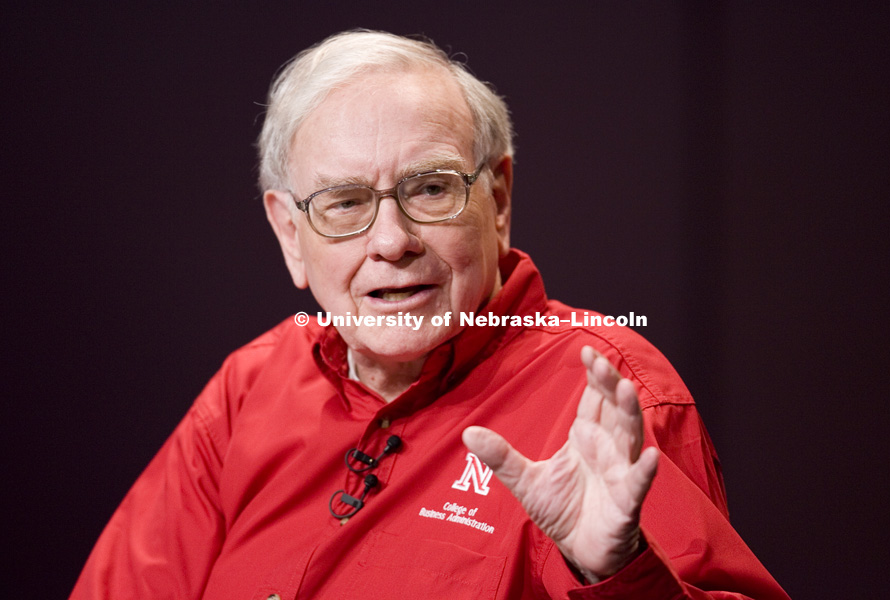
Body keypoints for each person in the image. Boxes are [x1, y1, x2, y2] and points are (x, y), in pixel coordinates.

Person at [71, 30, 789, 599]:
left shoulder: (607, 391)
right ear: (290, 235)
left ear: (498, 200)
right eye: (345, 203)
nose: (391, 241)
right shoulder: (247, 390)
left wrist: (620, 573)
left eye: (432, 188)